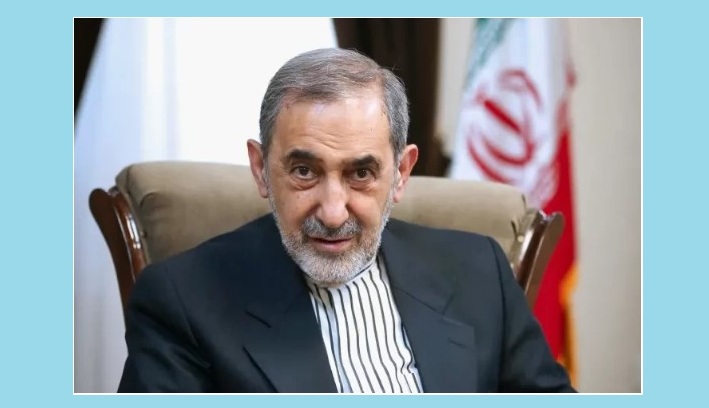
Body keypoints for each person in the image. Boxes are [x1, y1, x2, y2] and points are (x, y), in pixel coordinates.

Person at [117, 48, 575, 393]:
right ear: (260, 169)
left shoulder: (478, 270)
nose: (333, 212)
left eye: (361, 173)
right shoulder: (182, 301)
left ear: (401, 173)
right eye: (304, 171)